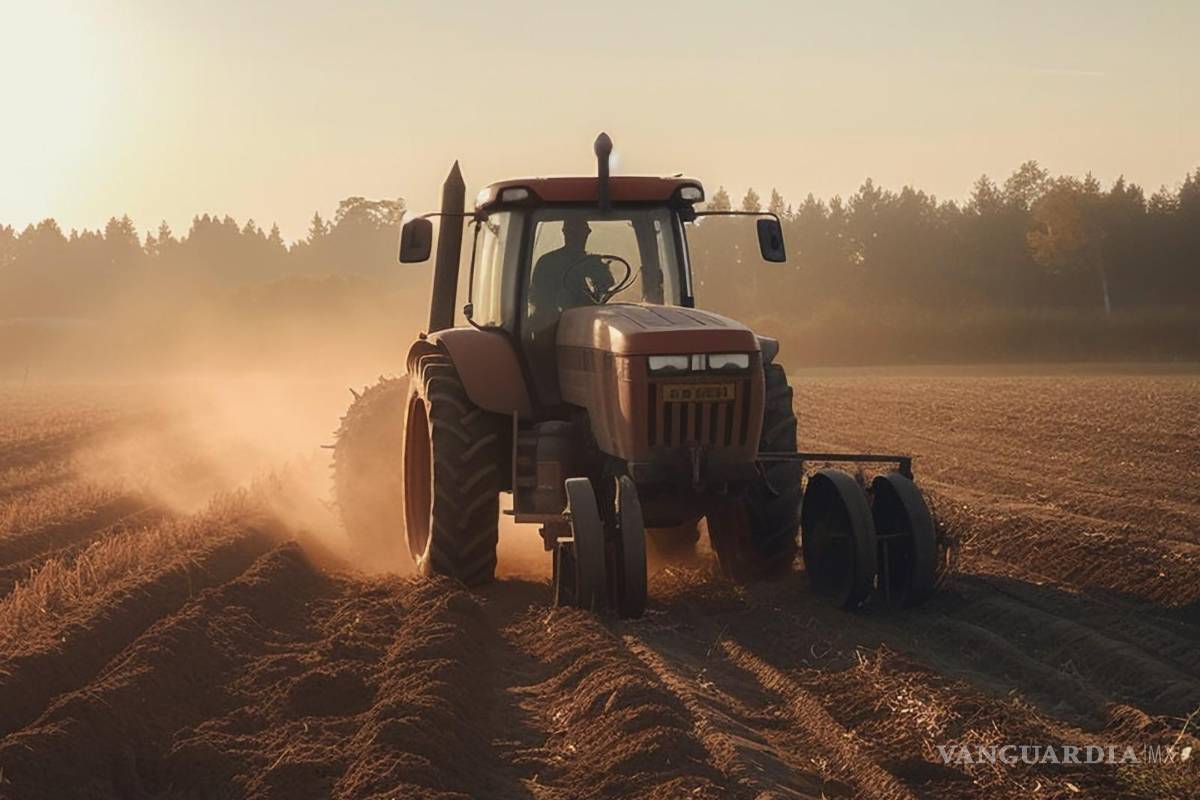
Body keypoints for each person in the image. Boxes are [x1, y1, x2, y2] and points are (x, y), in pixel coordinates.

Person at [527, 218, 614, 329]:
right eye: (573, 232)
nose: (578, 237)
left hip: (587, 321)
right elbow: (539, 300)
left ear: (587, 233)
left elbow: (607, 289)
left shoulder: (594, 263)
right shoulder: (548, 262)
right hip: (553, 324)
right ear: (565, 232)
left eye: (581, 232)